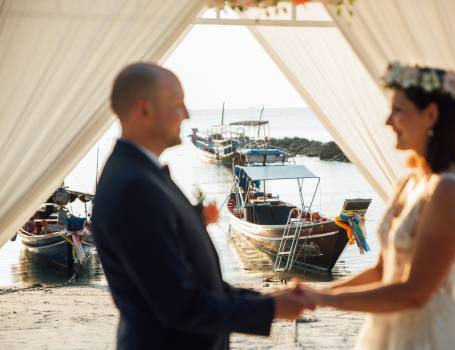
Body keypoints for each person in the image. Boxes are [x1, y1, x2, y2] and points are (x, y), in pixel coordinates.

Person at [91, 62, 313, 350]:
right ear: (144, 109)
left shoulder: (142, 174)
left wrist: (266, 300)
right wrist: (270, 310)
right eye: (178, 104)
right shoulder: (135, 187)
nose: (187, 115)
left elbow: (196, 286)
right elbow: (180, 305)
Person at [296, 62, 455, 349]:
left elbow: (416, 292)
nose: (388, 121)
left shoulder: (448, 190)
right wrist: (316, 293)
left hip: (428, 336)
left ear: (430, 115)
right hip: (386, 329)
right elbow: (381, 271)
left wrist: (326, 300)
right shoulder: (408, 184)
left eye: (398, 110)